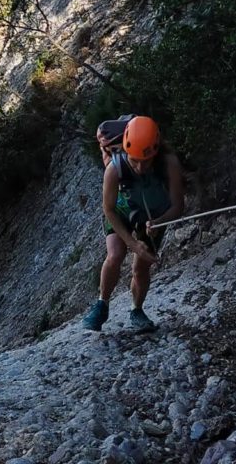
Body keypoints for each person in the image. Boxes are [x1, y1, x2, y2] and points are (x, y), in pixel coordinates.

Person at [82, 115, 185, 332]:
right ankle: (102, 304)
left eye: (145, 160)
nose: (139, 166)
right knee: (115, 254)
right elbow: (108, 209)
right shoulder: (115, 168)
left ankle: (136, 310)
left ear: (156, 151)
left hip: (154, 216)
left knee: (141, 266)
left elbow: (177, 206)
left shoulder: (169, 163)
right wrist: (132, 243)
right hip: (121, 212)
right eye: (134, 159)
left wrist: (159, 222)